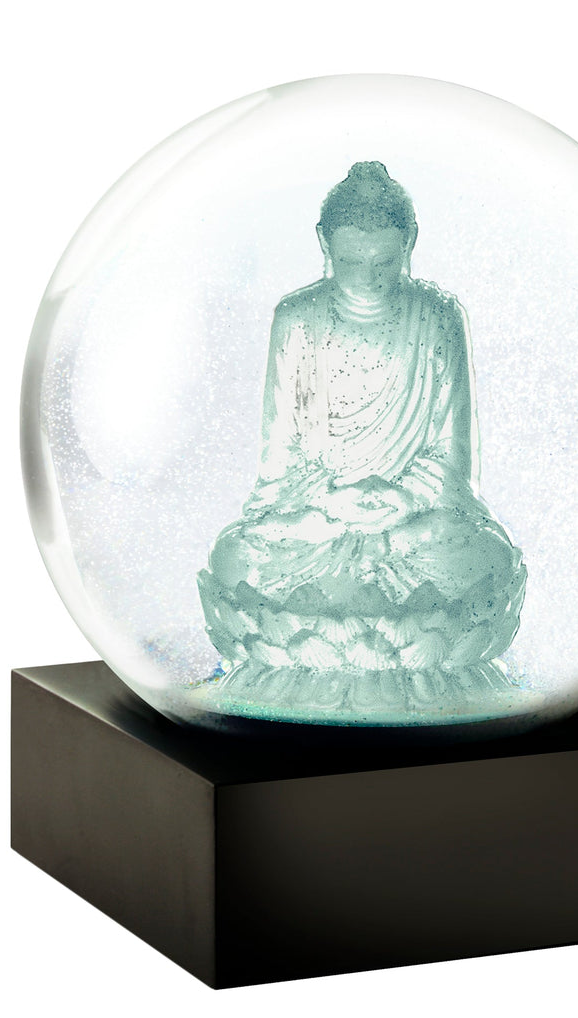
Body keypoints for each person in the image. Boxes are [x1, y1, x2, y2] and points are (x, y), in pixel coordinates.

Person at [198, 162, 525, 683]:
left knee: (486, 557)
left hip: (411, 526)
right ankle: (404, 639)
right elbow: (280, 458)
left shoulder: (438, 316)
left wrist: (407, 499)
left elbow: (451, 456)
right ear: (323, 242)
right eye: (351, 260)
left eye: (384, 261)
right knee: (237, 555)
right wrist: (328, 502)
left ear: (409, 241)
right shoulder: (297, 319)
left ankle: (324, 632)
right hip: (318, 520)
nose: (368, 277)